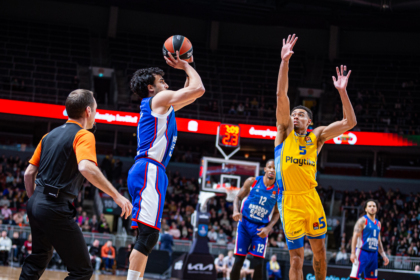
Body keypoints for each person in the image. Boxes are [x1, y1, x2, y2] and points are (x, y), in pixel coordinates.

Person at [19, 89, 132, 280]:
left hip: (36, 202)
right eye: (95, 110)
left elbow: (29, 173)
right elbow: (86, 167)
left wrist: (36, 201)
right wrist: (117, 195)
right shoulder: (84, 135)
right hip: (54, 206)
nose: (95, 115)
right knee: (82, 271)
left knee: (38, 258)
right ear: (88, 111)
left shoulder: (49, 135)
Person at [275, 34, 357, 280]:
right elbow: (281, 95)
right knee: (296, 258)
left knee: (320, 253)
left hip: (311, 198)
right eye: (294, 114)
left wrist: (342, 92)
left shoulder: (317, 136)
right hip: (289, 202)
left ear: (309, 121)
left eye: (301, 114)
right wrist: (285, 62)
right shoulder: (283, 131)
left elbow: (349, 122)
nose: (296, 116)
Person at [126, 52, 205, 280]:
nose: (167, 83)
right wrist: (186, 66)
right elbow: (199, 89)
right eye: (161, 81)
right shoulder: (157, 101)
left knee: (147, 236)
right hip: (149, 169)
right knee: (148, 237)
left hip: (152, 170)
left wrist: (186, 68)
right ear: (151, 88)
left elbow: (191, 96)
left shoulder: (161, 106)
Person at [231, 160, 280, 280]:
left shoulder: (279, 190)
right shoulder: (252, 181)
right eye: (270, 167)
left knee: (258, 264)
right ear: (265, 169)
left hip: (261, 228)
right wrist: (235, 211)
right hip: (245, 225)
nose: (272, 170)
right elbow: (237, 197)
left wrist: (268, 228)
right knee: (238, 261)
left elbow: (277, 213)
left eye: (274, 168)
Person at [350, 200, 389, 279]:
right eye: (370, 206)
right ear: (366, 209)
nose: (372, 208)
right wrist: (353, 253)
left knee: (371, 278)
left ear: (377, 209)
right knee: (354, 278)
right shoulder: (362, 221)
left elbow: (379, 241)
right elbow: (354, 236)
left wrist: (383, 255)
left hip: (374, 254)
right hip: (362, 252)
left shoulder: (378, 223)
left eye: (374, 206)